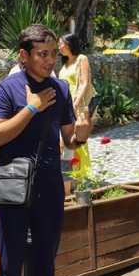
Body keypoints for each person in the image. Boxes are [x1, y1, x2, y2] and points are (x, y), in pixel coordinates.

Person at [0, 24, 90, 276]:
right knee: (9, 263)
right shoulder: (8, 88)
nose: (50, 61)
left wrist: (82, 135)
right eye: (42, 54)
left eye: (53, 54)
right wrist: (30, 108)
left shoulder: (61, 88)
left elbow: (69, 138)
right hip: (14, 187)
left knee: (45, 259)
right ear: (24, 55)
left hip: (48, 184)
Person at [57, 32, 95, 179]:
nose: (59, 47)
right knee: (67, 140)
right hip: (65, 105)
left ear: (69, 44)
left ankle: (83, 176)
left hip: (76, 105)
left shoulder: (81, 59)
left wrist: (75, 104)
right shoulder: (65, 63)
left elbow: (84, 83)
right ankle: (70, 177)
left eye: (61, 43)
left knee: (79, 138)